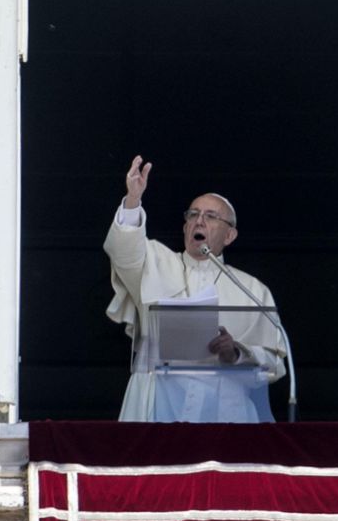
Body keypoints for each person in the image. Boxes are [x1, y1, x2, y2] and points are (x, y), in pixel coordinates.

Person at [104, 155, 288, 422]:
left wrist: (235, 352)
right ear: (185, 226)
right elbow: (122, 252)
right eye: (193, 214)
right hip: (157, 404)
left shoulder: (252, 289)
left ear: (229, 235)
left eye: (211, 216)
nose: (199, 221)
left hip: (224, 411)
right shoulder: (155, 262)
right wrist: (133, 200)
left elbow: (274, 363)